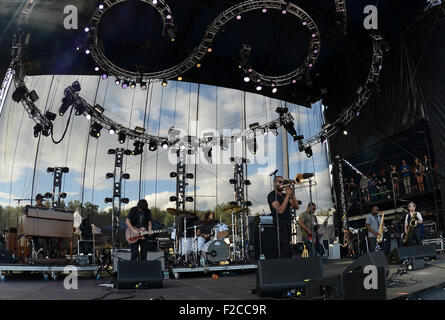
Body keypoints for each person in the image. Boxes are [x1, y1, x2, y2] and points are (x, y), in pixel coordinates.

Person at [268, 176, 300, 258]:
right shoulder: (272, 195)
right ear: (274, 183)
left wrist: (292, 194)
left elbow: (296, 207)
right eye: (280, 182)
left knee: (287, 245)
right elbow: (280, 211)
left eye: (283, 182)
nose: (282, 184)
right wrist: (287, 195)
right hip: (278, 224)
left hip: (287, 223)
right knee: (282, 246)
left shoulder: (285, 195)